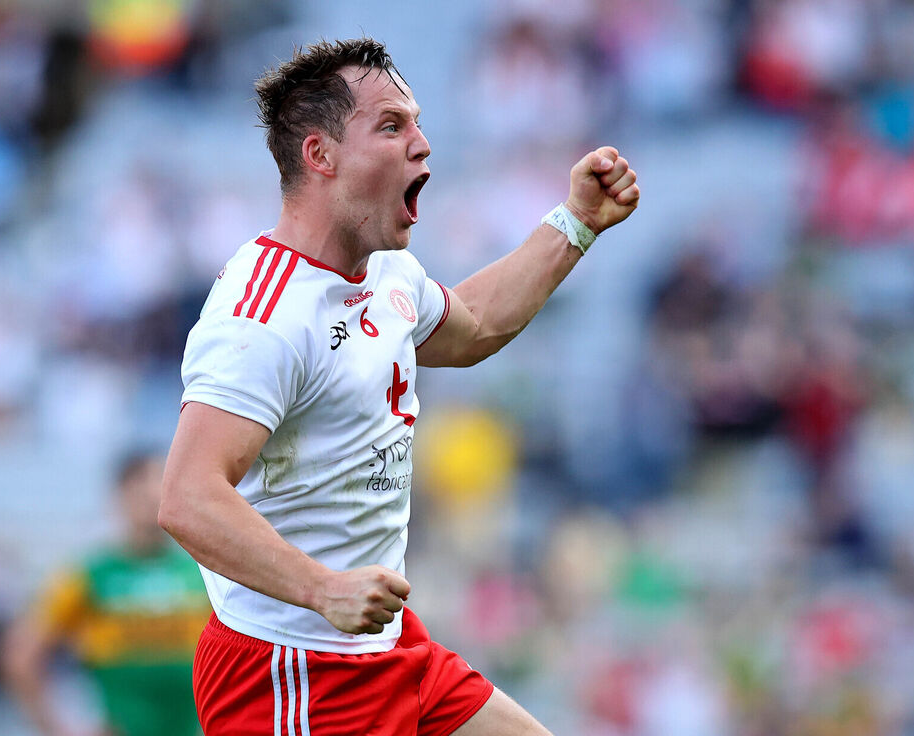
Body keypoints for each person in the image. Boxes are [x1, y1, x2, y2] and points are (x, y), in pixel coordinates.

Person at [159, 38, 640, 736]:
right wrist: (322, 589)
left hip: (387, 647)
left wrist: (576, 222)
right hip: (292, 671)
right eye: (392, 126)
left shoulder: (387, 272)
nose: (423, 143)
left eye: (416, 122)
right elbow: (187, 497)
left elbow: (474, 327)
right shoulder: (261, 316)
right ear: (320, 155)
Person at [0, 452, 210, 736]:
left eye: (161, 484)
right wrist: (57, 729)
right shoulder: (89, 575)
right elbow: (20, 657)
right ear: (120, 494)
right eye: (143, 485)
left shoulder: (203, 573)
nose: (153, 495)